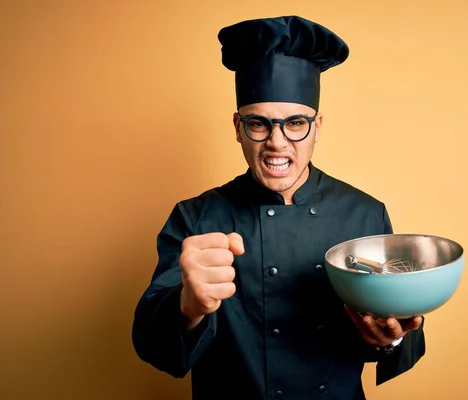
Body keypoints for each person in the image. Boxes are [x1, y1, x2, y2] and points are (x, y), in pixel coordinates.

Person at [132, 15, 426, 400]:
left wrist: (389, 340)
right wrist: (188, 307)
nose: (277, 142)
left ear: (317, 126)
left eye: (296, 123)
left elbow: (399, 326)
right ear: (238, 127)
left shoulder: (365, 213)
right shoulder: (196, 217)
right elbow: (152, 346)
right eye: (259, 124)